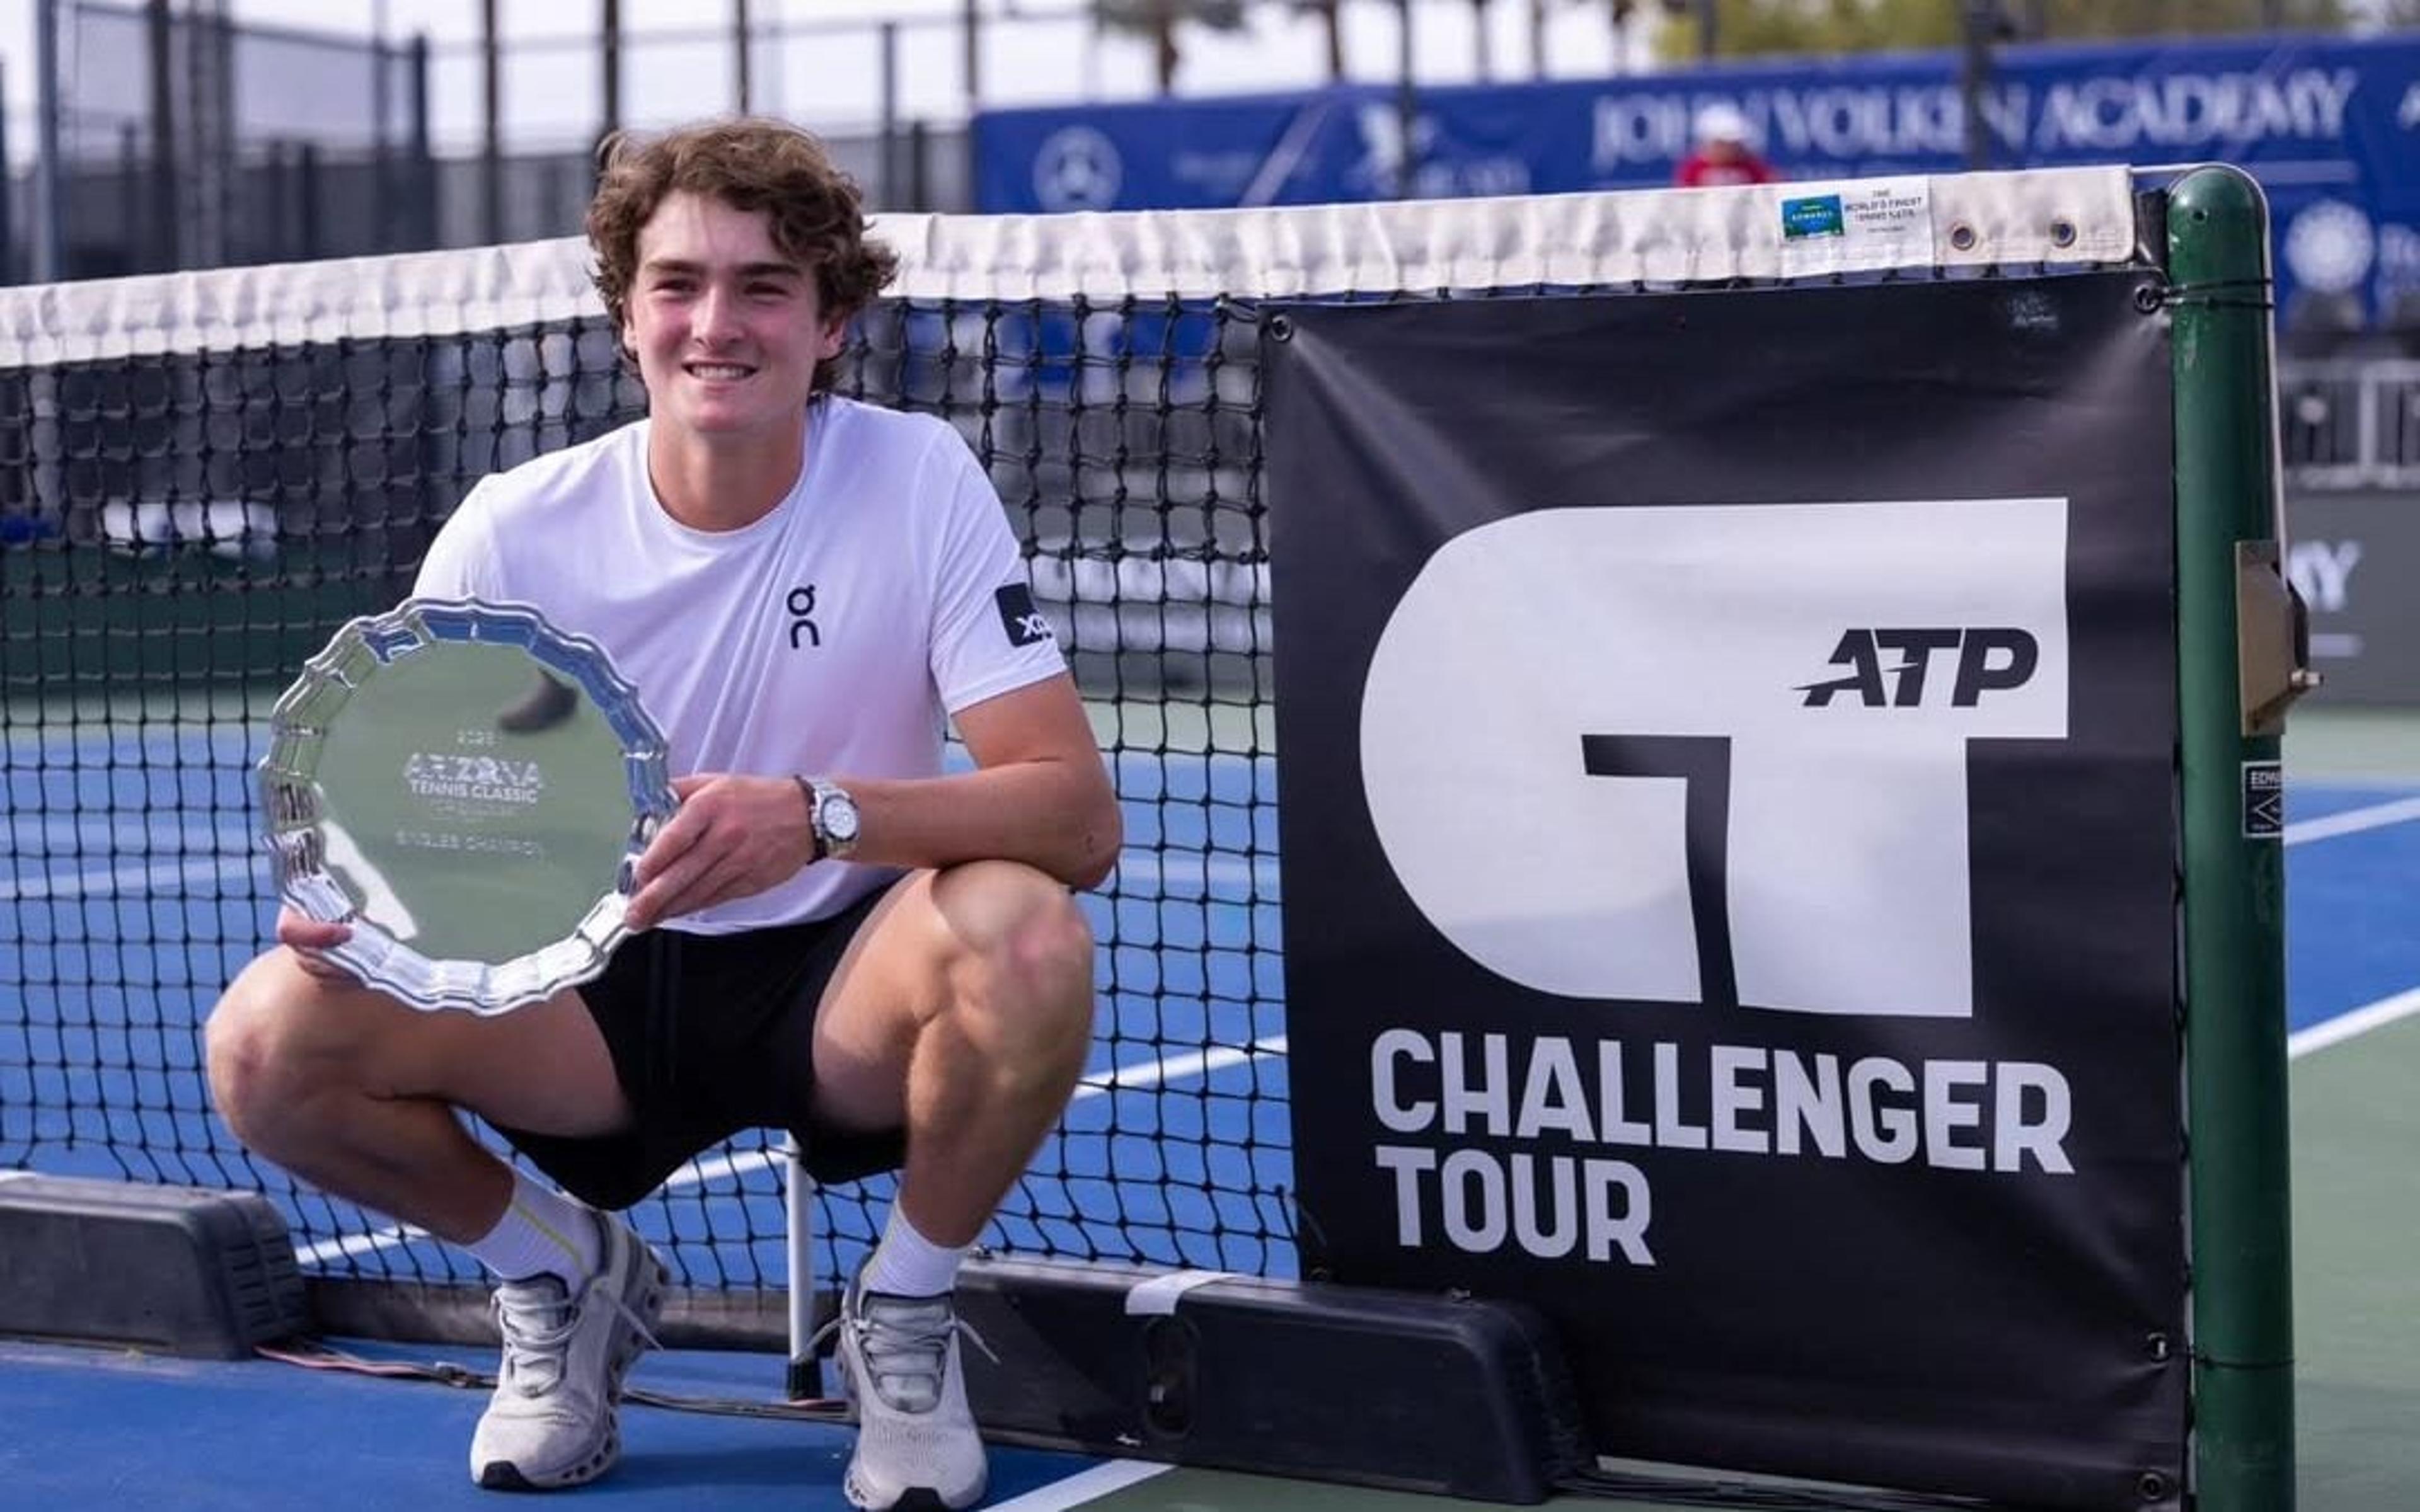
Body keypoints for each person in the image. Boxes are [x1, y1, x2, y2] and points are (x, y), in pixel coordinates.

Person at [205, 117, 1121, 1512]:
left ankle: (907, 1312)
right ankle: (562, 1272)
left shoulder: (919, 476)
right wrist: (363, 903)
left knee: (1028, 935)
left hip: (840, 986)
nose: (718, 323)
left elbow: (1075, 815)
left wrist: (816, 817)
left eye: (765, 287)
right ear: (626, 316)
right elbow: (408, 809)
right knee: (267, 1042)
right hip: (583, 995)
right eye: (680, 283)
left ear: (830, 326)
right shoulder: (515, 528)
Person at [1674, 103, 1780, 188]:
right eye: (1723, 144)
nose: (1729, 150)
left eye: (1734, 144)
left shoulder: (1751, 166)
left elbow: (1771, 189)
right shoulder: (1694, 169)